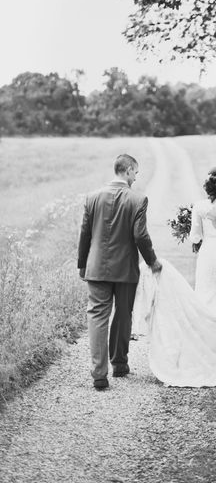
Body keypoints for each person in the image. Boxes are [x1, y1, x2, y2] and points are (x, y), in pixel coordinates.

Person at [145, 166, 216, 387]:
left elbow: (196, 237)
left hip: (208, 256)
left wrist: (195, 235)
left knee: (207, 297)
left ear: (209, 187)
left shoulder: (199, 207)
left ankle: (204, 349)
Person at [78, 154, 162, 390]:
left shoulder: (91, 197)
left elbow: (84, 234)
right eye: (135, 172)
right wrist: (152, 261)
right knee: (123, 313)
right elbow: (140, 236)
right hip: (125, 269)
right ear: (127, 171)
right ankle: (120, 363)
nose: (136, 177)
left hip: (96, 268)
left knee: (97, 317)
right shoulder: (138, 199)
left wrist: (82, 264)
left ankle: (99, 375)